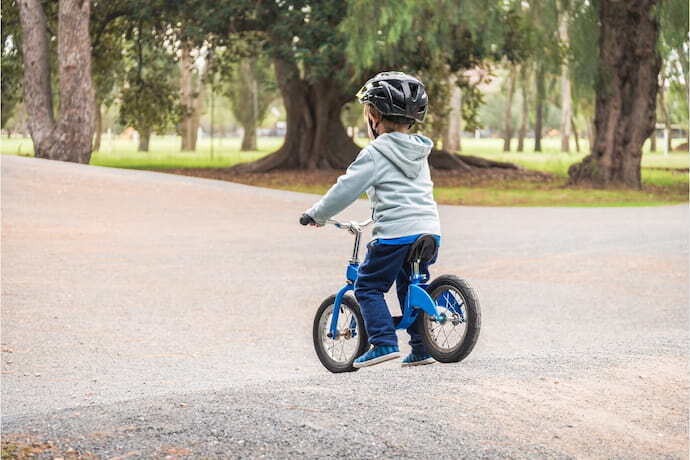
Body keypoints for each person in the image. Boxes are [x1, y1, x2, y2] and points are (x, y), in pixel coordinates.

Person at [300, 71, 441, 368]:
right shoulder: (420, 151)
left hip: (395, 235)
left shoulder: (375, 153)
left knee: (367, 286)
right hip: (429, 231)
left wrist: (318, 214)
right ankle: (421, 347)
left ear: (373, 115)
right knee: (410, 286)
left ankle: (383, 341)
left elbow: (346, 189)